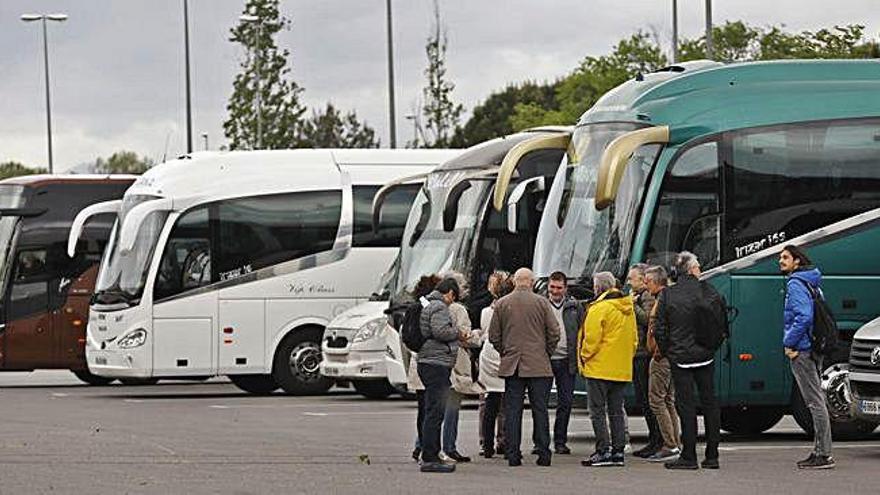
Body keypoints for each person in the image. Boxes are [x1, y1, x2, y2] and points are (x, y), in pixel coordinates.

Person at [654, 251, 721, 470]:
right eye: (699, 266)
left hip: (680, 357)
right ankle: (712, 456)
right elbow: (720, 322)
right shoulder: (709, 290)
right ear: (692, 269)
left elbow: (660, 328)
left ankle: (689, 456)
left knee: (686, 406)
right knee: (710, 405)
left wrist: (667, 351)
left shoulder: (668, 295)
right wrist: (712, 347)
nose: (700, 269)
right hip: (705, 355)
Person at [488, 268, 560, 467]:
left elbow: (493, 335)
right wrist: (545, 352)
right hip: (539, 365)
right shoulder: (542, 303)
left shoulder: (502, 304)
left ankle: (513, 454)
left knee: (512, 411)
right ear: (532, 282)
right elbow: (554, 332)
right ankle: (544, 453)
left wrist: (506, 351)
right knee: (540, 410)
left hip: (513, 366)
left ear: (514, 281)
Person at [780, 245, 834, 469]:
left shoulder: (795, 284)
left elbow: (803, 317)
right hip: (813, 347)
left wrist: (789, 342)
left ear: (797, 261)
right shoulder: (811, 282)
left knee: (814, 402)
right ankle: (820, 450)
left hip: (802, 350)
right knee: (817, 400)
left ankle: (823, 454)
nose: (780, 261)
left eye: (785, 257)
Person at [579, 272, 638, 467]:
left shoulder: (599, 308)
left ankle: (603, 450)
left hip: (599, 367)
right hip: (621, 367)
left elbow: (591, 339)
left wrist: (584, 356)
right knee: (616, 411)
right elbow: (635, 341)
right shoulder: (627, 308)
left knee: (597, 411)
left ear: (598, 288)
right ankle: (618, 451)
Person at [417, 277, 466, 473]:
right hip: (435, 363)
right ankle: (430, 456)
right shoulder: (438, 307)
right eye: (453, 298)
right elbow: (440, 331)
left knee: (432, 410)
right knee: (435, 412)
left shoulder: (429, 304)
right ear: (449, 293)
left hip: (430, 362)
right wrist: (457, 333)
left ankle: (431, 452)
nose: (451, 302)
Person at [442, 271, 481, 464]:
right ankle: (449, 447)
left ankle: (421, 445)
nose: (466, 290)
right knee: (452, 407)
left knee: (433, 408)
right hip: (456, 362)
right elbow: (465, 336)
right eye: (463, 286)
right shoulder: (458, 309)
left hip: (438, 362)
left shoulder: (434, 306)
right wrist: (477, 335)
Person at [546, 271, 586, 455]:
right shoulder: (541, 304)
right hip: (545, 360)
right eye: (552, 287)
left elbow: (582, 331)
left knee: (566, 401)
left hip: (566, 360)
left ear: (565, 288)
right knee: (541, 403)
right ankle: (541, 441)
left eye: (559, 287)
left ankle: (560, 441)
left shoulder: (575, 307)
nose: (555, 291)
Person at [644, 265, 681, 462]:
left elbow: (661, 328)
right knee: (668, 400)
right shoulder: (671, 296)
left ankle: (670, 445)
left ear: (657, 281)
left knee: (657, 400)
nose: (645, 284)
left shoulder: (663, 299)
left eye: (647, 281)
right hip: (672, 355)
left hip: (662, 357)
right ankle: (675, 443)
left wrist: (658, 352)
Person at [627, 263, 663, 458]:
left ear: (642, 280)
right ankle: (653, 439)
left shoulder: (647, 297)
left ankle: (657, 440)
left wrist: (632, 306)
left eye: (632, 278)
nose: (629, 282)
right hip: (637, 353)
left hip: (644, 354)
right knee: (643, 400)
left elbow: (649, 320)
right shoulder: (639, 296)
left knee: (649, 400)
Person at [405, 274, 441, 463]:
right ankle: (428, 447)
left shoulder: (413, 308)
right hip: (432, 362)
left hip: (416, 361)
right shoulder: (433, 309)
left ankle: (420, 446)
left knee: (422, 409)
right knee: (433, 409)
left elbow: (407, 336)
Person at [478, 271, 514, 458]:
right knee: (508, 406)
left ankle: (487, 444)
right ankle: (506, 442)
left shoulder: (486, 312)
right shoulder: (511, 311)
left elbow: (485, 334)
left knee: (489, 404)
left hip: (489, 358)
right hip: (506, 357)